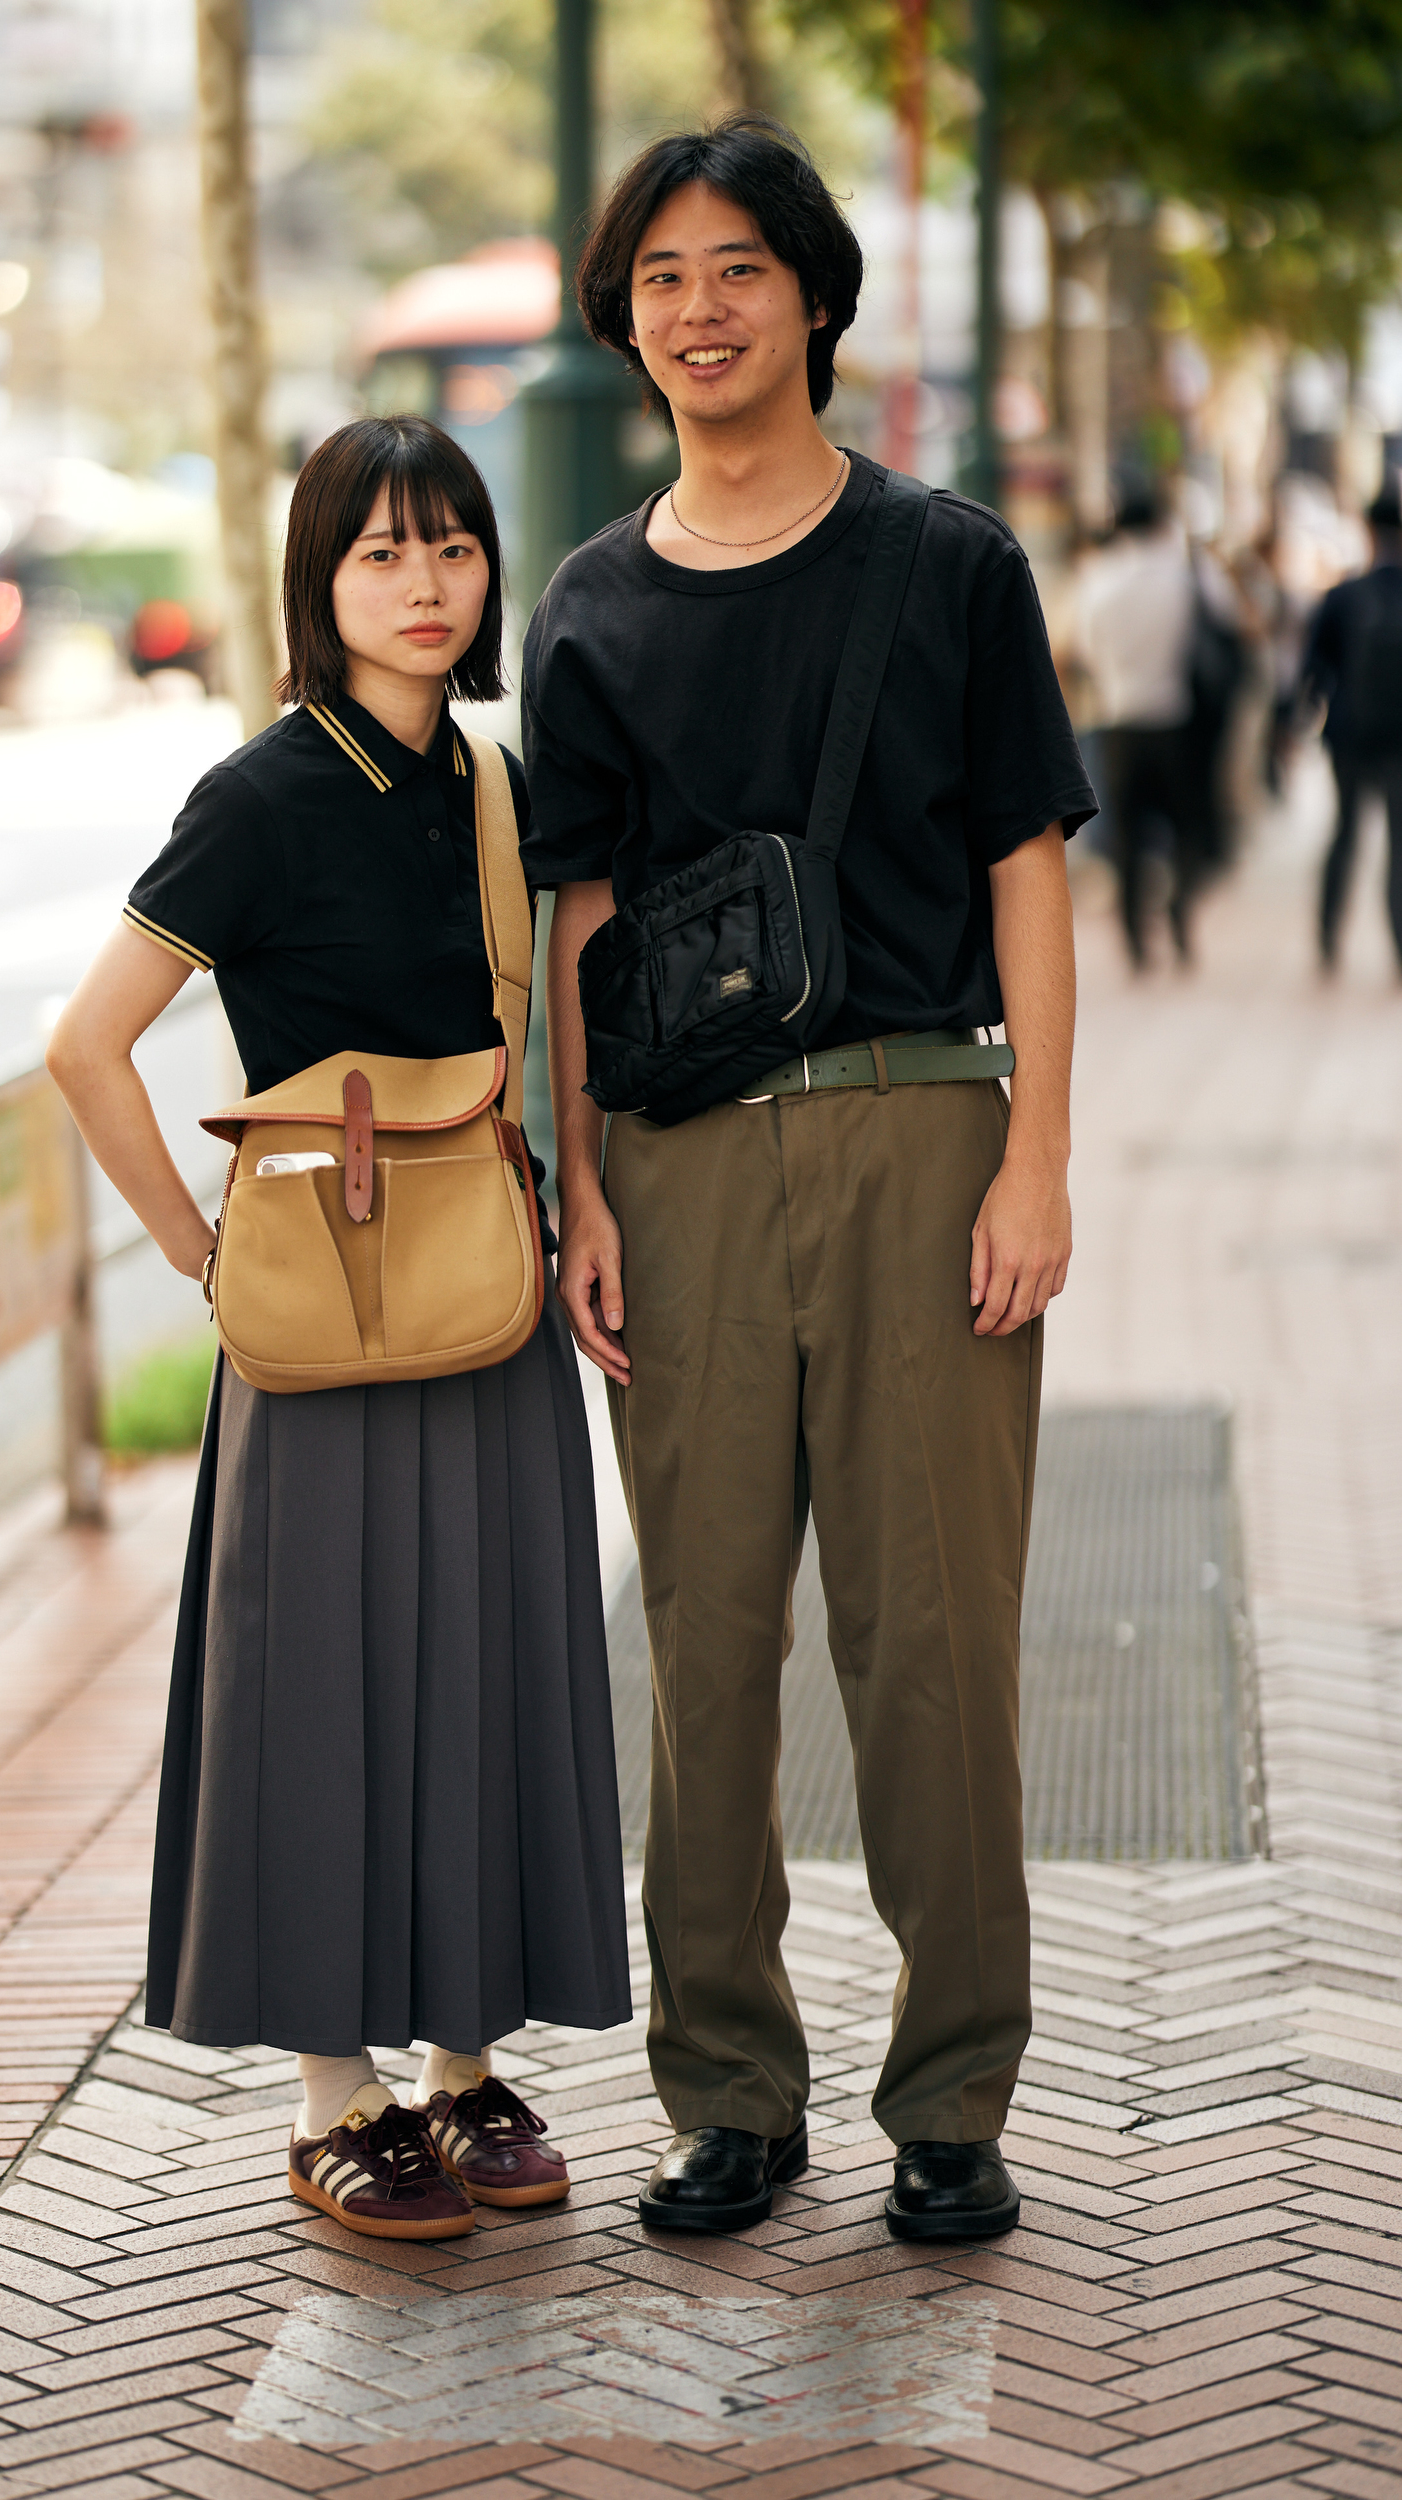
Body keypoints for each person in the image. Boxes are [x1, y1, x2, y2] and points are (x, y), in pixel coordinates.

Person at [522, 115, 1094, 2243]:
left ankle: (951, 2096)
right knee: (700, 1637)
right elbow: (575, 920)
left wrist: (1032, 1149)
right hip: (668, 1170)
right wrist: (578, 1182)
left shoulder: (947, 565)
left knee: (928, 1634)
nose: (695, 307)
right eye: (658, 274)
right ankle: (726, 2091)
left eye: (735, 266)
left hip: (913, 1120)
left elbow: (1020, 864)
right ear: (624, 317)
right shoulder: (583, 604)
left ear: (813, 299)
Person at [47, 415, 630, 2243]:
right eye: (381, 551)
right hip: (314, 1318)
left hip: (486, 1291)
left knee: (481, 1660)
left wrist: (584, 1208)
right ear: (319, 582)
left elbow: (554, 1040)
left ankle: (463, 2069)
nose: (426, 582)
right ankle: (335, 2098)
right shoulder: (259, 794)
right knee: (317, 1687)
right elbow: (87, 1044)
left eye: (452, 545)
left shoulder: (492, 784)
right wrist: (196, 1260)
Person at [1072, 481, 1238, 968]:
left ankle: (1135, 942)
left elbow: (1082, 647)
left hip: (1119, 720)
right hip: (1176, 721)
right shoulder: (1184, 575)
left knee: (1126, 837)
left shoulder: (1098, 578)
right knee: (1186, 829)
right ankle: (1180, 916)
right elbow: (1230, 624)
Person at [1301, 479, 1402, 976]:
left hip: (1348, 734)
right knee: (1400, 845)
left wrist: (1296, 721)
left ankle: (1327, 939)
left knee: (1344, 835)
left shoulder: (1344, 595)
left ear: (1367, 529)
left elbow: (1314, 669)